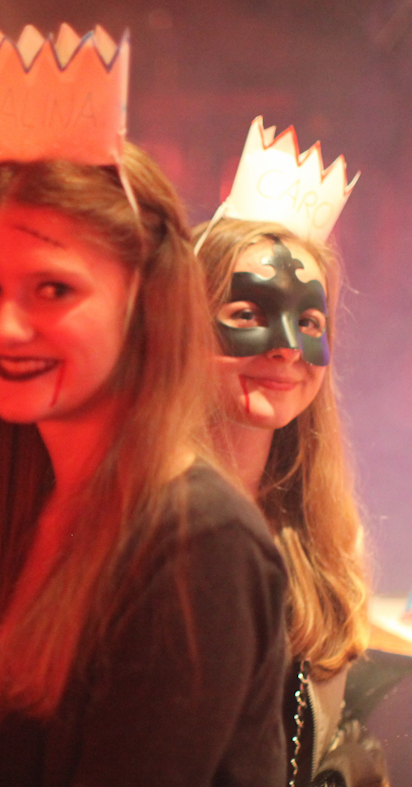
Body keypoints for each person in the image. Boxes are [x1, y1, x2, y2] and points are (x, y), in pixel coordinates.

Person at [0, 138, 291, 783]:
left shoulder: (199, 545)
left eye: (53, 289)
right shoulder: (32, 503)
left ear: (146, 302)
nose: (3, 327)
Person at [195, 217, 376, 786]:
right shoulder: (146, 531)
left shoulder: (324, 540)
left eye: (308, 321)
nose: (287, 348)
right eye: (248, 314)